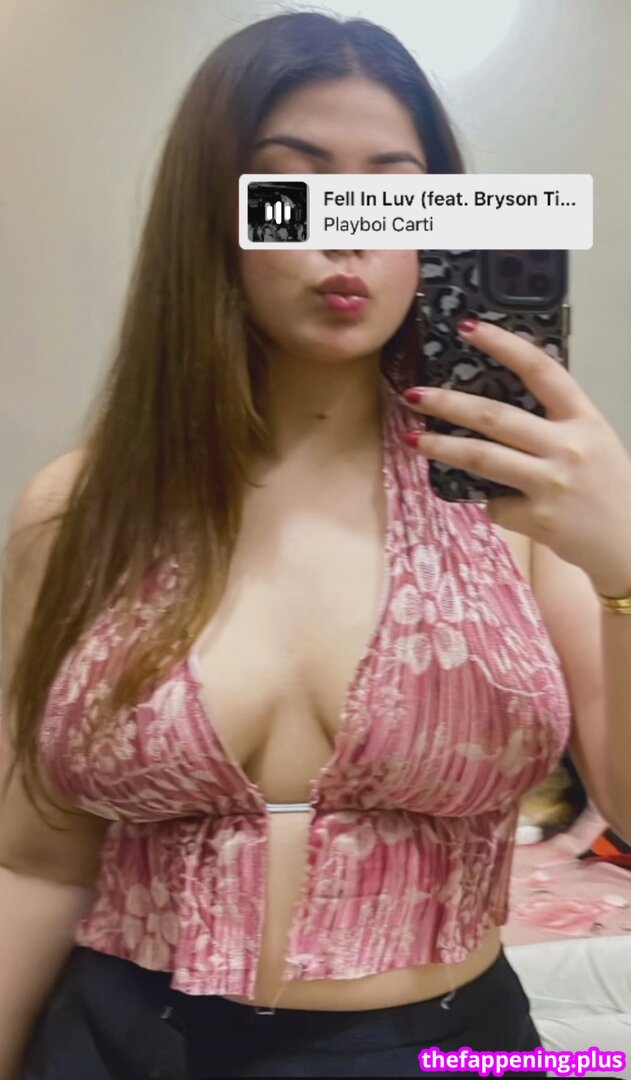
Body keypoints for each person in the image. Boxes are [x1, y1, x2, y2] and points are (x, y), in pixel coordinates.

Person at [2, 10, 631, 1080]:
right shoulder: (78, 511)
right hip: (118, 1040)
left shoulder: (524, 501)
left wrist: (623, 562)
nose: (345, 238)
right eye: (291, 192)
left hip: (446, 1047)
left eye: (391, 194)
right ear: (212, 216)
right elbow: (34, 862)